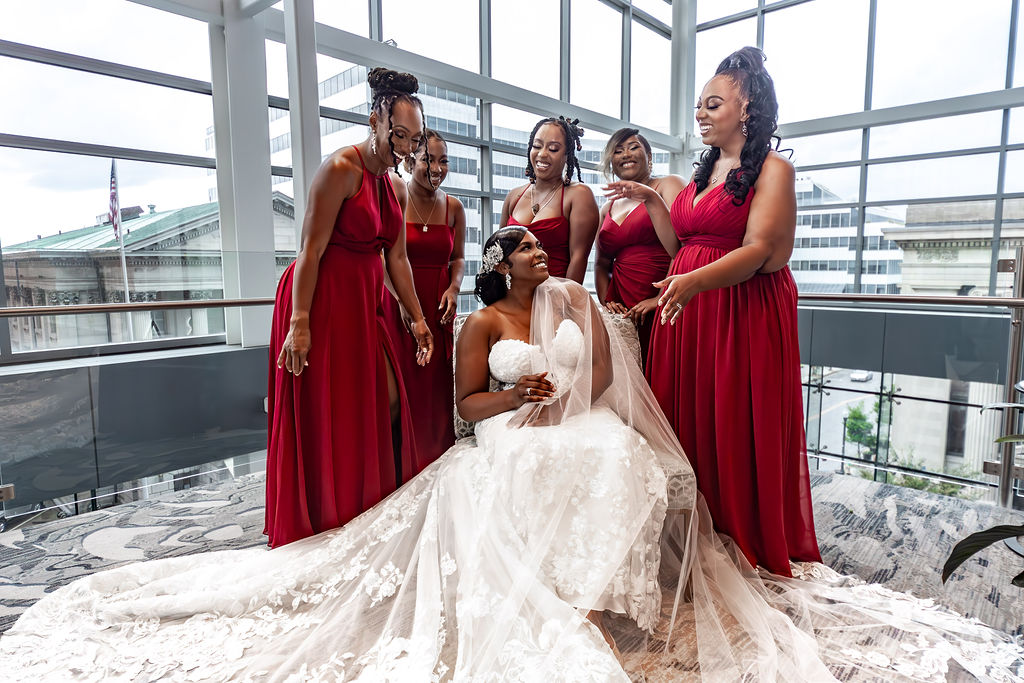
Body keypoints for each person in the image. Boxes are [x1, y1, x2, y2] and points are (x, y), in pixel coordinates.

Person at [3, 229, 1022, 681]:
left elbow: (603, 371)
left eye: (544, 247)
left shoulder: (564, 304)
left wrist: (573, 379)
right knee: (536, 460)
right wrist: (520, 397)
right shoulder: (484, 323)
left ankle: (605, 586)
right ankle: (551, 586)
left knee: (616, 455)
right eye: (529, 248)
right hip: (505, 430)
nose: (544, 254)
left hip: (566, 419)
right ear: (503, 262)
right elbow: (469, 406)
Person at [606, 47, 820, 577]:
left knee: (732, 420)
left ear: (747, 108)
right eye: (699, 105)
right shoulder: (701, 173)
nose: (700, 114)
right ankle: (687, 532)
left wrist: (693, 281)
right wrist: (653, 202)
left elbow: (761, 250)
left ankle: (737, 531)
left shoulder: (774, 169)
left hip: (738, 313)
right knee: (687, 423)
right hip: (691, 312)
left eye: (713, 104)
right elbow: (682, 244)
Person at [264, 67, 433, 549]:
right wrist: (299, 323)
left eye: (414, 139)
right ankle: (323, 515)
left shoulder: (396, 187)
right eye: (399, 135)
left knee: (385, 400)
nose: (406, 148)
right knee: (327, 409)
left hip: (365, 302)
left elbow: (397, 258)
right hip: (319, 298)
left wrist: (417, 317)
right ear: (375, 121)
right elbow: (309, 251)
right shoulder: (340, 168)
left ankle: (360, 506)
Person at [382, 129, 466, 464]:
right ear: (409, 160)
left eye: (443, 160)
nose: (437, 168)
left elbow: (458, 258)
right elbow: (384, 257)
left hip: (439, 306)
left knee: (438, 390)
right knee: (403, 388)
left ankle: (438, 461)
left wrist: (454, 287)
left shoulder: (454, 207)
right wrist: (401, 303)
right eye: (428, 159)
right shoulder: (395, 197)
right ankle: (401, 464)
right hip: (400, 304)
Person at [595, 128, 683, 365]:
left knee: (661, 368)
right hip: (621, 306)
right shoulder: (607, 208)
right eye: (618, 151)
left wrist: (660, 298)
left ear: (649, 157)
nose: (626, 154)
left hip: (663, 299)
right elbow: (601, 264)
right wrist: (606, 301)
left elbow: (683, 247)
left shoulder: (667, 185)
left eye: (633, 147)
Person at [499, 116, 599, 283]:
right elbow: (499, 253)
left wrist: (564, 299)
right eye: (537, 146)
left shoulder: (579, 195)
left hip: (555, 293)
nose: (542, 154)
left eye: (553, 149)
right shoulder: (514, 196)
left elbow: (578, 259)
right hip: (513, 294)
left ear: (567, 154)